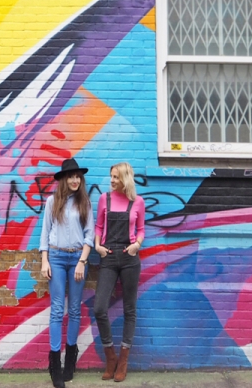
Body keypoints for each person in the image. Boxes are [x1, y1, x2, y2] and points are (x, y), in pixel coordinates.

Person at [40, 158, 95, 388]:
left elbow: (89, 234)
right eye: (71, 176)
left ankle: (70, 360)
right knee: (56, 310)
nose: (75, 180)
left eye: (77, 176)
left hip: (77, 260)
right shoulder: (52, 202)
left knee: (74, 310)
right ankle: (55, 365)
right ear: (63, 179)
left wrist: (82, 261)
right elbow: (45, 232)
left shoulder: (85, 202)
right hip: (57, 257)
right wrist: (44, 260)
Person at [93, 162, 145, 383]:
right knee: (99, 308)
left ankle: (123, 360)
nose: (112, 180)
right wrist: (97, 246)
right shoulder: (105, 198)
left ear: (125, 178)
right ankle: (111, 356)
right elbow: (98, 226)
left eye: (116, 177)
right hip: (108, 257)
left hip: (129, 258)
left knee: (129, 310)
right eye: (111, 176)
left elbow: (141, 228)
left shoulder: (138, 202)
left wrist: (137, 245)